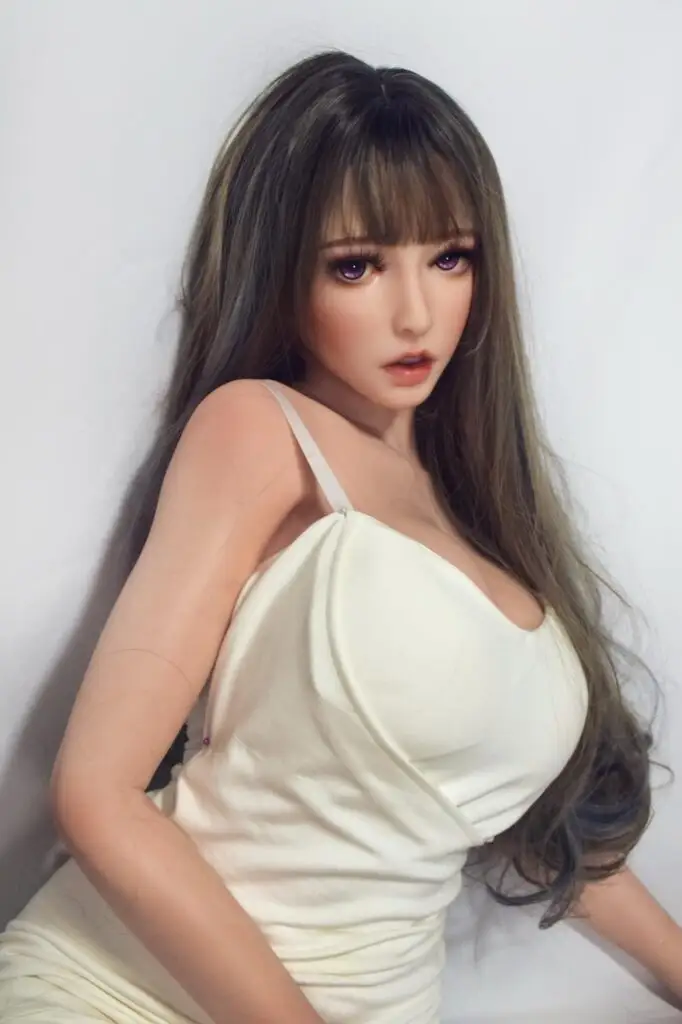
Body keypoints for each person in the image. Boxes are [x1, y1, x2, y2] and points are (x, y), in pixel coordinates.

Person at [0, 48, 678, 1024]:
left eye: (450, 257)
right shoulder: (259, 431)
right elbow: (95, 794)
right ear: (284, 273)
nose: (416, 313)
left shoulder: (481, 517)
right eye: (356, 265)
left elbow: (533, 832)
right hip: (124, 991)